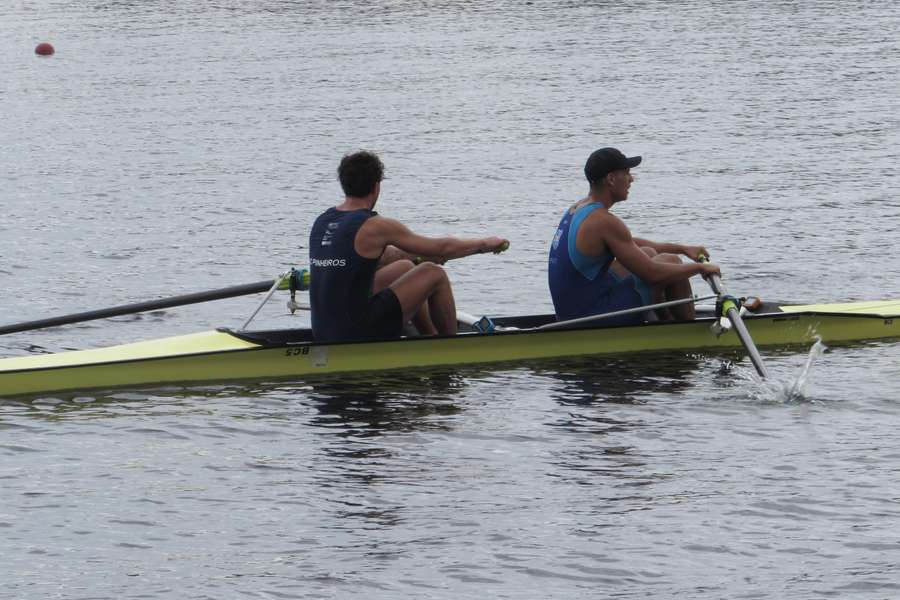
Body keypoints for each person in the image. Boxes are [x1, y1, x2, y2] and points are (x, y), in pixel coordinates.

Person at [309, 150, 508, 342]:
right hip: (356, 332)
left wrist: (416, 256)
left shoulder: (323, 221)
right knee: (433, 273)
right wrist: (484, 244)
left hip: (324, 331)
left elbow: (384, 257)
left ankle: (428, 337)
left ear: (344, 185)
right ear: (376, 186)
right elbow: (443, 248)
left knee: (404, 268)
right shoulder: (375, 225)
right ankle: (449, 349)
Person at [548, 147, 721, 326]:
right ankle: (687, 336)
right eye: (627, 173)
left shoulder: (579, 208)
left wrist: (683, 249)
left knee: (648, 252)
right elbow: (652, 274)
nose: (631, 179)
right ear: (611, 179)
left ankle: (663, 319)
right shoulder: (603, 221)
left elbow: (631, 243)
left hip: (574, 308)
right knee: (672, 263)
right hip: (586, 319)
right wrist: (700, 268)